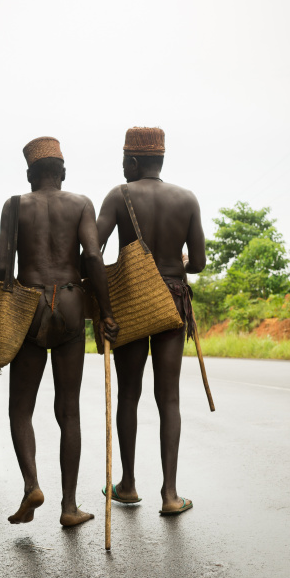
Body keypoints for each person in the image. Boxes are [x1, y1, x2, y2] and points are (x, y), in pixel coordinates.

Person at [0, 137, 118, 527]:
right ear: (62, 173)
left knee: (20, 408)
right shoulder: (80, 203)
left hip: (28, 306)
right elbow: (93, 258)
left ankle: (31, 485)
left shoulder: (15, 205)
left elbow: (1, 266)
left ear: (30, 175)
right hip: (70, 304)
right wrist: (106, 313)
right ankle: (69, 507)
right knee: (69, 411)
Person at [96, 127, 206, 514]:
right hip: (172, 301)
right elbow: (201, 261)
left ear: (133, 161)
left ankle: (127, 485)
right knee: (169, 397)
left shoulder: (118, 196)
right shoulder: (186, 198)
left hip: (131, 300)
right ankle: (171, 495)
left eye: (124, 160)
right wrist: (177, 267)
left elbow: (92, 251)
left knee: (129, 393)